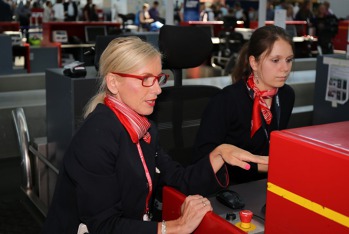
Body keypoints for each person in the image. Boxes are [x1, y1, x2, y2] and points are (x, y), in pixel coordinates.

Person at [41, 37, 268, 233]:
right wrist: (176, 227)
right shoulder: (96, 137)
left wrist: (219, 155)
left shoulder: (144, 128)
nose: (158, 89)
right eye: (145, 79)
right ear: (113, 82)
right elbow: (104, 226)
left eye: (158, 78)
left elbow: (178, 180)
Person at [193, 25, 295, 185]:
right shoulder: (226, 100)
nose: (285, 68)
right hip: (231, 187)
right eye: (275, 60)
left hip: (268, 183)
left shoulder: (286, 95)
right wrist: (263, 166)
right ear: (254, 63)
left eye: (289, 60)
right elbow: (204, 160)